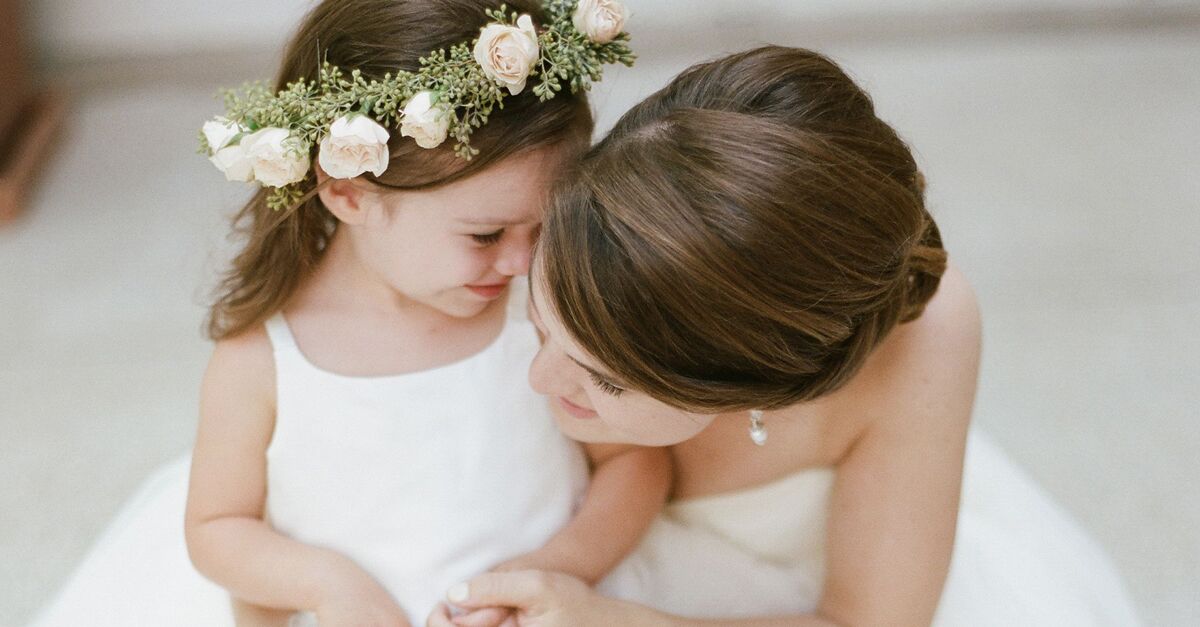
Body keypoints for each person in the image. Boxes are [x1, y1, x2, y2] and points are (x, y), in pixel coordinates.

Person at [432, 46, 1143, 627]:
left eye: (607, 379)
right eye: (542, 321)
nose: (537, 378)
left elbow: (869, 620)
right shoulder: (527, 239)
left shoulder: (929, 336)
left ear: (763, 387)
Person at [31, 1, 671, 626]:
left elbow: (632, 461)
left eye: (544, 226)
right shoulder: (266, 358)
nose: (521, 263)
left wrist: (554, 571)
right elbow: (217, 527)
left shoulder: (543, 320)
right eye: (485, 235)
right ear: (347, 191)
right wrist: (328, 584)